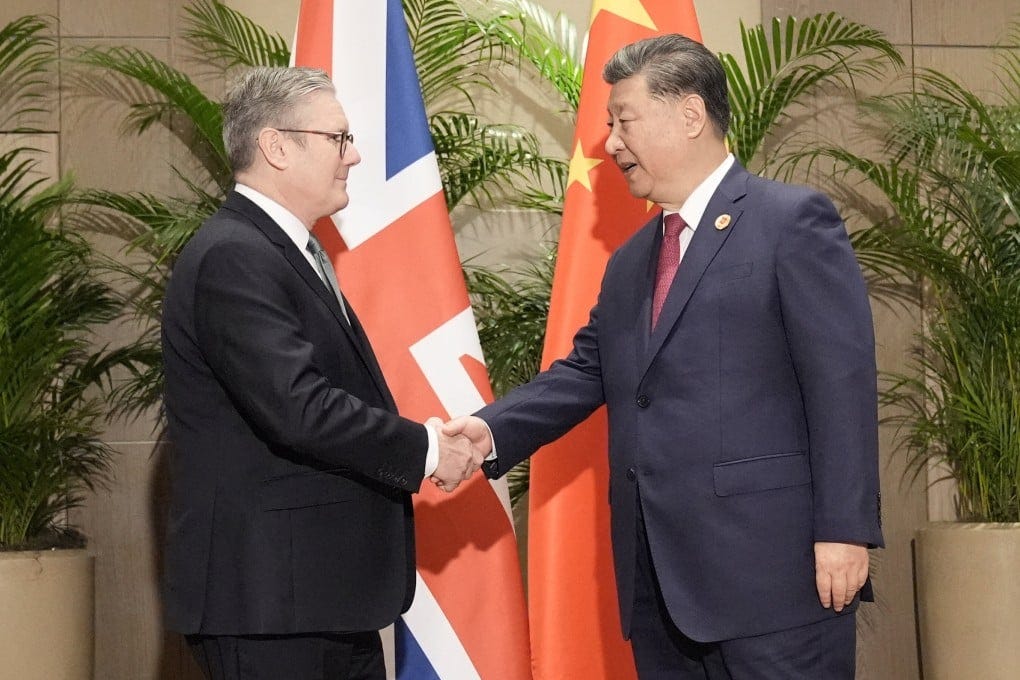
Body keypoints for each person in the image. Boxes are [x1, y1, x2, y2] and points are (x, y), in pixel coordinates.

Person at [443, 34, 883, 679]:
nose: (611, 144)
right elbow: (588, 369)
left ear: (690, 115)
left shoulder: (791, 222)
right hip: (660, 582)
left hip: (775, 576)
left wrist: (845, 530)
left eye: (623, 121)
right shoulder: (631, 261)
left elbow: (841, 384)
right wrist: (487, 432)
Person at [160, 66, 482, 680]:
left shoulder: (284, 252)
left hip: (316, 600)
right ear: (276, 147)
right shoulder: (236, 255)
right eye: (338, 138)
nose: (355, 156)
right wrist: (426, 449)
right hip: (270, 608)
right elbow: (299, 407)